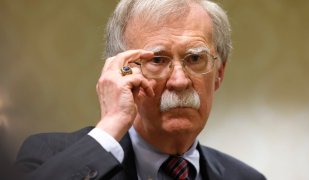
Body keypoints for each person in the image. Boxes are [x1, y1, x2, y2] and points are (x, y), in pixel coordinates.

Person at [15, 0, 266, 179]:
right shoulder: (47, 155)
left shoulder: (246, 177)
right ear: (122, 72)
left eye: (194, 59)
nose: (179, 81)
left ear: (219, 73)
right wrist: (111, 124)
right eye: (157, 60)